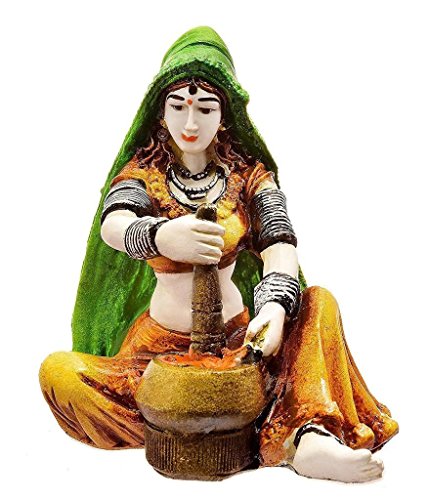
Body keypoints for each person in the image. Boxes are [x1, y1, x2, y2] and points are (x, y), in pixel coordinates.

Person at [39, 26, 398, 483]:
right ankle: (208, 424)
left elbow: (280, 244)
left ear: (224, 116)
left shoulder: (249, 177)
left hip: (239, 345)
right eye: (178, 107)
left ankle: (303, 435)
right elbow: (114, 225)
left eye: (205, 109)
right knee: (60, 372)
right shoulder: (143, 176)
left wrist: (274, 308)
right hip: (155, 359)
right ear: (160, 113)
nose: (190, 124)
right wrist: (160, 236)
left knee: (319, 302)